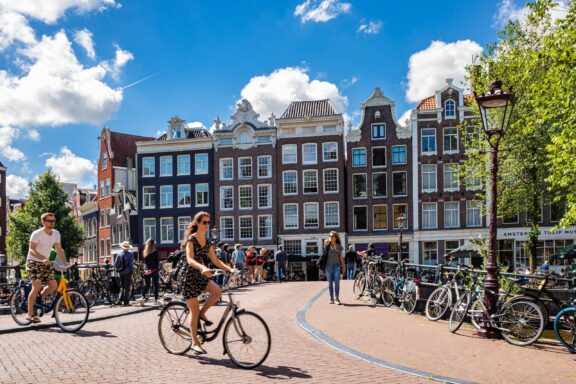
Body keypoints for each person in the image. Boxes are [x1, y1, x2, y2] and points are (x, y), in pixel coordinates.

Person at [178, 211, 234, 355]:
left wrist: (230, 269)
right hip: (188, 276)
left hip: (200, 275)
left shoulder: (208, 241)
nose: (207, 225)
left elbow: (215, 260)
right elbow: (190, 259)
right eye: (204, 222)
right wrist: (203, 267)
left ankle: (203, 313)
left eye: (208, 222)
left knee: (217, 292)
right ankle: (194, 343)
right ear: (197, 223)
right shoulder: (192, 240)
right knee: (194, 311)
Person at [25, 212, 68, 323]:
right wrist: (42, 258)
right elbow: (31, 249)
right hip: (33, 262)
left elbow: (58, 249)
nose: (52, 223)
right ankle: (29, 314)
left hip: (45, 263)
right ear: (43, 222)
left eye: (53, 221)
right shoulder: (37, 234)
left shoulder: (56, 234)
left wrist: (66, 262)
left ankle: (38, 299)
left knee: (53, 285)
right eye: (49, 221)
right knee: (37, 285)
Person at [324, 231, 345, 305]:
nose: (330, 237)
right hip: (328, 267)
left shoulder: (339, 246)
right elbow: (325, 241)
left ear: (335, 237)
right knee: (330, 284)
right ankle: (331, 298)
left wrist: (344, 267)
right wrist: (329, 239)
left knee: (337, 283)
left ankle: (337, 298)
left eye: (332, 236)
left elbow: (341, 257)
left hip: (337, 266)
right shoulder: (327, 244)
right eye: (329, 236)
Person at [141, 238, 160, 304]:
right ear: (153, 244)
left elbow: (143, 261)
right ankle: (156, 299)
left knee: (147, 286)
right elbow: (157, 261)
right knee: (156, 285)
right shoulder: (155, 252)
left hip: (146, 270)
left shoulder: (144, 252)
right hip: (154, 269)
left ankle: (142, 296)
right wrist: (158, 268)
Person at [116, 241, 135, 306]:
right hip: (127, 272)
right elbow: (131, 265)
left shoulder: (119, 254)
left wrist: (118, 269)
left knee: (122, 286)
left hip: (121, 272)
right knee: (127, 287)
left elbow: (116, 263)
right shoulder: (130, 255)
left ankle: (120, 300)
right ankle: (126, 302)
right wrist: (132, 272)